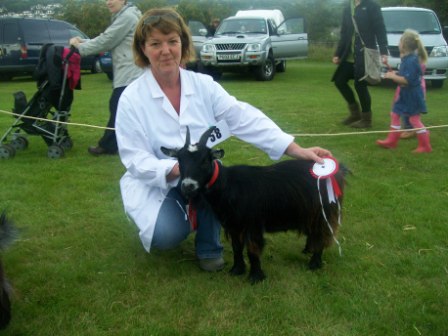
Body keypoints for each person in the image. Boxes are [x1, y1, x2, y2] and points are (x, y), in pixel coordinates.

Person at [115, 8, 332, 272]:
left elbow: (242, 117)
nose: (166, 50)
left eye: (172, 41)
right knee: (165, 234)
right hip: (159, 182)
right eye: (155, 43)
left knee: (218, 178)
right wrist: (180, 170)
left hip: (203, 177)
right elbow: (134, 157)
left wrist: (294, 148)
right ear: (143, 48)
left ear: (183, 43)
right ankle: (187, 216)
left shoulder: (203, 85)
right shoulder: (131, 98)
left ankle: (209, 246)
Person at [69, 0, 143, 156]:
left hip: (130, 73)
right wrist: (83, 42)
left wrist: (80, 48)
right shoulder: (124, 15)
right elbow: (109, 38)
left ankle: (108, 146)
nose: (108, 2)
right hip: (130, 72)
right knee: (124, 109)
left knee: (117, 107)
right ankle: (120, 144)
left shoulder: (127, 17)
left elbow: (107, 40)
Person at [332, 0, 388, 128]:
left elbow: (380, 29)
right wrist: (338, 53)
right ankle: (355, 113)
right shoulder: (348, 6)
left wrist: (384, 52)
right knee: (339, 81)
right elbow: (344, 33)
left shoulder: (372, 6)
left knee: (360, 84)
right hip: (350, 54)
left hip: (364, 52)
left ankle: (366, 119)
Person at [377, 29, 432, 153]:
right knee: (395, 114)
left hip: (412, 96)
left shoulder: (411, 60)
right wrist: (394, 73)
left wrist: (392, 76)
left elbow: (408, 80)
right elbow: (405, 75)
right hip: (405, 94)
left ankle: (425, 145)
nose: (398, 42)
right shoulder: (408, 59)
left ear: (404, 44)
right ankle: (392, 141)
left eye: (400, 40)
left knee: (414, 120)